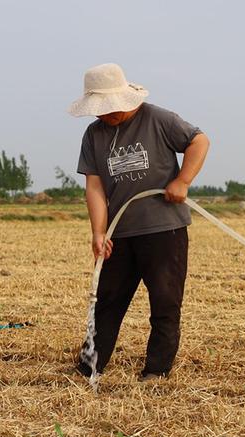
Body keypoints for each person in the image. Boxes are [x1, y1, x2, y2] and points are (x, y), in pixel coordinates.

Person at [69, 63, 210, 381]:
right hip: (121, 232)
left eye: (108, 108)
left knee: (164, 300)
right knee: (107, 300)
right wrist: (98, 231)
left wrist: (183, 181)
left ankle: (156, 371)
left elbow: (199, 141)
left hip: (164, 229)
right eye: (99, 110)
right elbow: (94, 186)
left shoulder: (159, 119)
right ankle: (90, 366)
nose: (104, 115)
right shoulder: (94, 135)